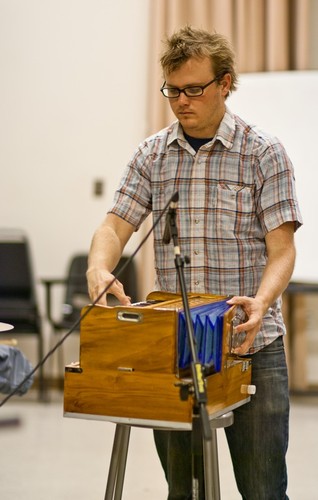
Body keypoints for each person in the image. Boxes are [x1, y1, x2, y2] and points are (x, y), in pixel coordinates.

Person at [87, 25, 303, 500]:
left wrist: (261, 302)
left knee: (264, 490)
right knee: (184, 491)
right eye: (172, 91)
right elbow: (113, 228)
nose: (182, 101)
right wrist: (99, 269)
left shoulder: (263, 154)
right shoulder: (152, 156)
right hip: (178, 348)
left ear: (225, 84)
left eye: (194, 90)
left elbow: (282, 250)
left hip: (252, 347)